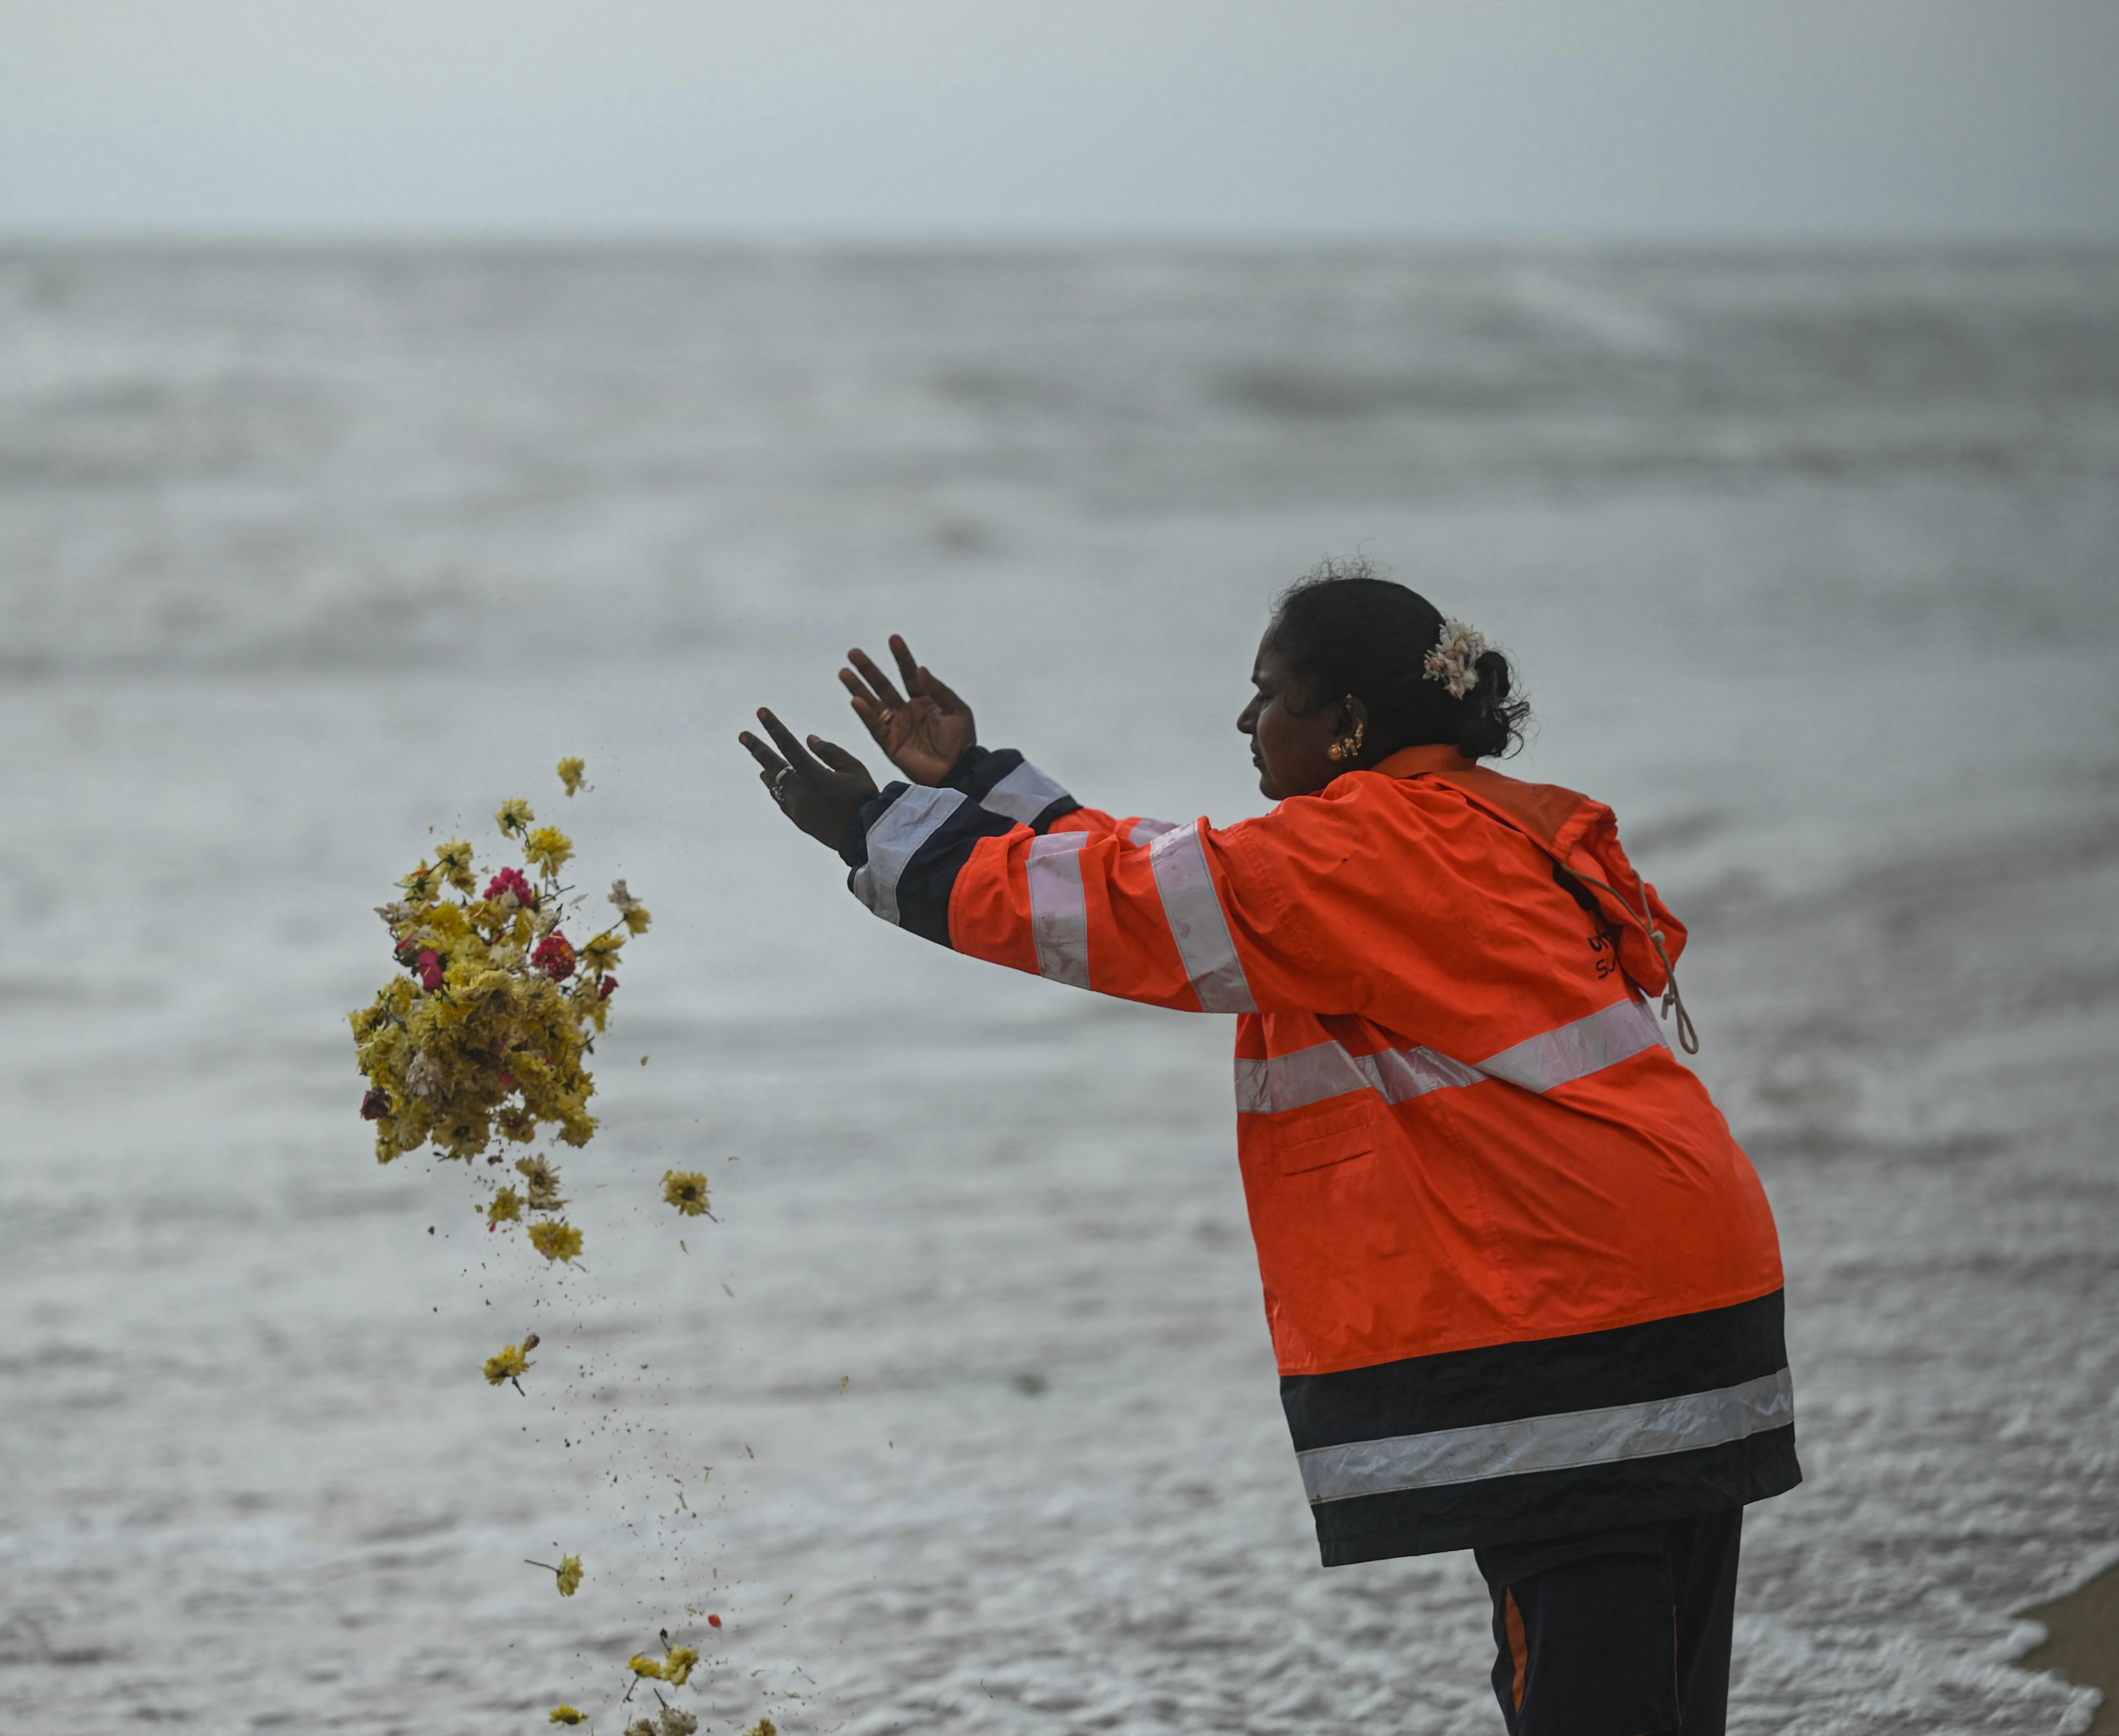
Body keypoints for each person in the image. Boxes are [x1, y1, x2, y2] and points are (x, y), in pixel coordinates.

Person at [736, 562, 1799, 1736]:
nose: (1244, 721)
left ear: (1344, 725)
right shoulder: (1471, 819)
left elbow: (1120, 908)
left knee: (1588, 1701)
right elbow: (1161, 875)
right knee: (1634, 1689)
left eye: (1268, 696)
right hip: (1669, 1281)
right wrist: (979, 785)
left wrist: (864, 824)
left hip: (1579, 1305)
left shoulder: (1346, 859)